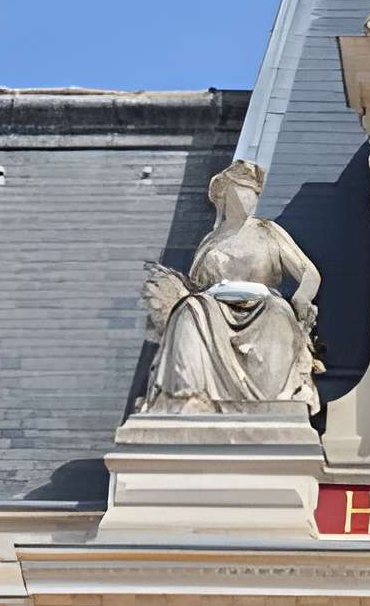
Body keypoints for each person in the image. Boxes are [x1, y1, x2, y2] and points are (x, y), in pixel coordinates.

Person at [138, 161, 322, 416]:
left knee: (279, 311)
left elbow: (309, 273)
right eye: (242, 191)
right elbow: (196, 287)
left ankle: (274, 399)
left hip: (262, 305)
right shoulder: (211, 241)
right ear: (226, 195)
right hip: (214, 307)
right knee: (189, 309)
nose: (249, 199)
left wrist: (302, 297)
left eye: (254, 193)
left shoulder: (267, 231)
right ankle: (185, 396)